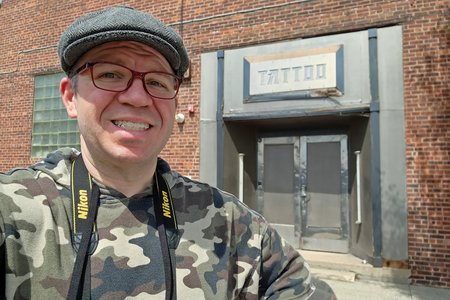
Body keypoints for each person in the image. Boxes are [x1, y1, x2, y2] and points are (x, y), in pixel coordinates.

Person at [0, 5, 336, 300]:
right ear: (70, 98)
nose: (137, 97)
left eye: (158, 81)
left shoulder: (233, 227)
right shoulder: (14, 212)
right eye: (111, 74)